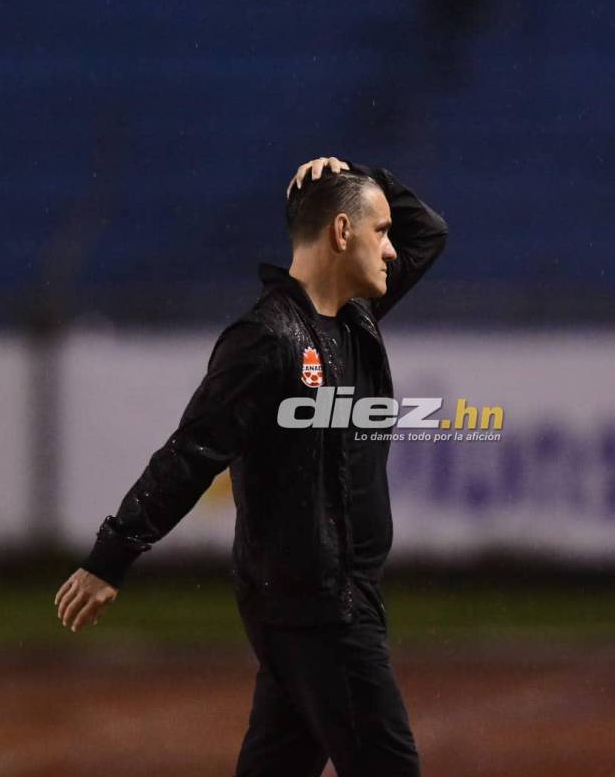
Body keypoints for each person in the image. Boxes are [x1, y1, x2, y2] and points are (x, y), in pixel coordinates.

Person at [54, 155, 448, 775]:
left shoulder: (354, 315)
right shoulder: (267, 339)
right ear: (341, 233)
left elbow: (430, 232)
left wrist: (357, 172)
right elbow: (190, 453)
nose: (394, 249)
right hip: (319, 603)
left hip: (328, 598)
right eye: (380, 231)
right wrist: (113, 554)